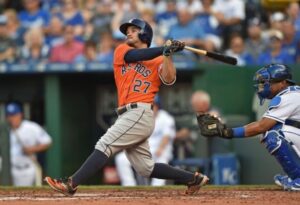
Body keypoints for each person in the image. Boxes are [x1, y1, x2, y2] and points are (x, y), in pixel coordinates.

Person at [44, 18, 209, 196]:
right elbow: (136, 56)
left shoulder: (159, 59)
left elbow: (169, 78)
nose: (128, 33)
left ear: (145, 34)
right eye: (127, 30)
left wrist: (168, 55)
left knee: (105, 144)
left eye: (133, 30)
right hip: (128, 114)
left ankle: (71, 183)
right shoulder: (122, 50)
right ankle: (193, 178)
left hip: (140, 112)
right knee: (146, 168)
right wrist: (164, 48)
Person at [198, 63, 300, 191]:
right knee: (273, 130)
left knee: (273, 135)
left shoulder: (288, 97)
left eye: (268, 82)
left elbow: (261, 126)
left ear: (283, 83)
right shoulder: (292, 94)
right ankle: (295, 176)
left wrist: (227, 132)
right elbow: (262, 124)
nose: (263, 86)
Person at [115, 95, 176, 186]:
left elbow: (167, 136)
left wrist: (160, 148)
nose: (150, 107)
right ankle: (129, 186)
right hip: (143, 150)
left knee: (161, 160)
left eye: (152, 105)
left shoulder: (166, 118)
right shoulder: (140, 117)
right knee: (121, 158)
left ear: (157, 106)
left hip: (160, 151)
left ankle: (157, 187)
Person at [5, 102, 52, 186]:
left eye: (14, 115)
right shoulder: (5, 130)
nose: (11, 118)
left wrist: (32, 149)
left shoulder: (31, 127)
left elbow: (48, 142)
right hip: (11, 169)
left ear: (20, 115)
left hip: (28, 168)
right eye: (9, 116)